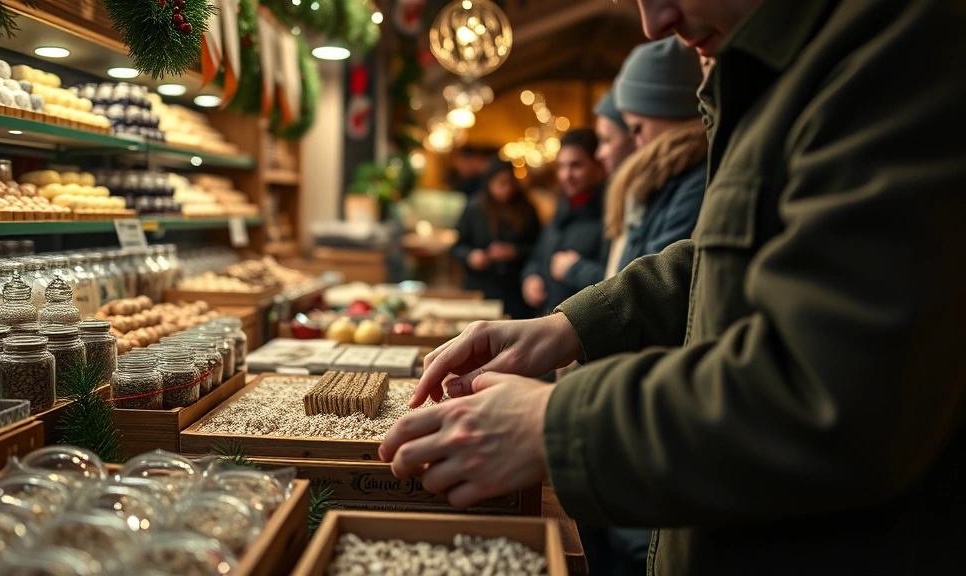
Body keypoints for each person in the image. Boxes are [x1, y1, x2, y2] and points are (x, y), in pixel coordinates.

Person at [380, 0, 966, 574]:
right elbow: (720, 260)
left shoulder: (895, 48)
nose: (653, 21)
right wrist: (571, 326)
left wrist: (552, 424)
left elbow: (832, 394)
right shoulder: (780, 67)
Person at [554, 37, 707, 293]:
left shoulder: (691, 184)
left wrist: (575, 271)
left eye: (636, 129)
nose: (638, 146)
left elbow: (647, 285)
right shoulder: (661, 183)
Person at [520, 128, 606, 314]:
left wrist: (575, 269)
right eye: (561, 166)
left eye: (576, 165)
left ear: (598, 165)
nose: (566, 175)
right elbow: (538, 256)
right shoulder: (560, 210)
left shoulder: (609, 216)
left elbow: (617, 279)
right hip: (548, 319)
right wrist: (531, 277)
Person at [451, 158, 541, 320]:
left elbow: (539, 246)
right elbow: (457, 246)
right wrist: (471, 256)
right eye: (501, 183)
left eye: (510, 183)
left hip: (515, 288)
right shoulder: (475, 208)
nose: (506, 189)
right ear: (489, 183)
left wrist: (515, 251)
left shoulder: (526, 208)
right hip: (481, 286)